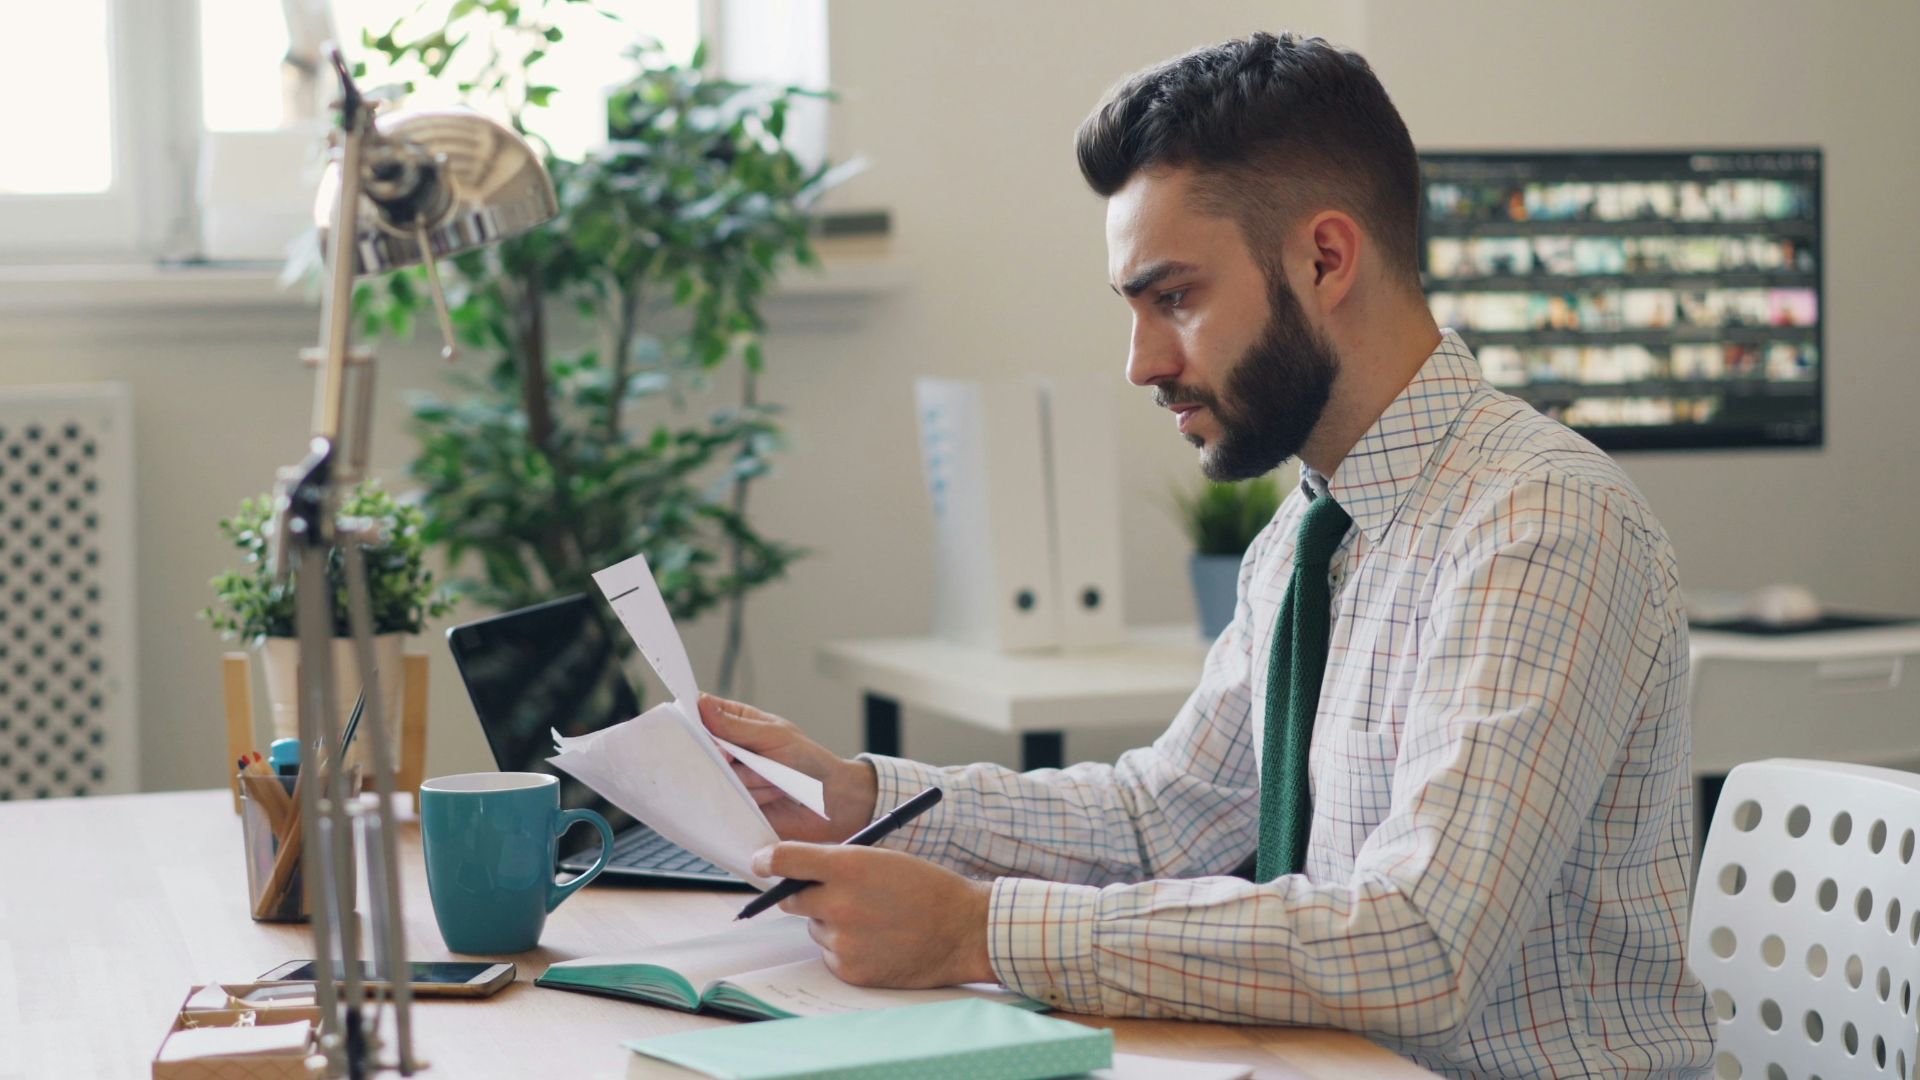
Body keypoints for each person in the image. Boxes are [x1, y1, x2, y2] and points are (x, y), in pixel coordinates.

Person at [697, 31, 1715, 1078]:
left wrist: (976, 931)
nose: (1143, 363)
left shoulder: (1540, 523)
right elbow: (1159, 820)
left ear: (1325, 259)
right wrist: (864, 799)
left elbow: (1420, 947)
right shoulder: (1309, 533)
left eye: (1174, 297)